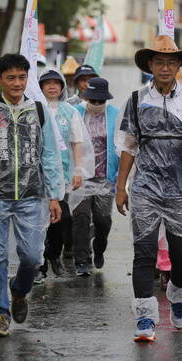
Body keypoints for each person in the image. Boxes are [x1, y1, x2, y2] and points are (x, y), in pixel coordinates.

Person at [115, 35, 182, 343]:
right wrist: (121, 187)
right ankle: (145, 317)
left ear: (178, 65)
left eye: (170, 62)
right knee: (144, 253)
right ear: (150, 65)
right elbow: (128, 146)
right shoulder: (136, 100)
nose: (165, 67)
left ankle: (177, 298)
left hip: (181, 190)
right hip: (145, 188)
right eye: (159, 62)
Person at [0, 53, 64, 338]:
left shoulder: (39, 112)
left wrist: (55, 195)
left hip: (32, 197)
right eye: (11, 78)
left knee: (32, 257)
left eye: (22, 77)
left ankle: (19, 291)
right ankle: (0, 314)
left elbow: (50, 156)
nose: (17, 83)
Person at [36, 66, 93, 279]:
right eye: (47, 83)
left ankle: (53, 254)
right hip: (37, 177)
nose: (52, 87)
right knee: (39, 221)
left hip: (62, 176)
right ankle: (40, 267)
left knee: (62, 219)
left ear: (62, 87)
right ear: (40, 87)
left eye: (56, 83)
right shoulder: (34, 109)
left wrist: (78, 170)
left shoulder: (70, 112)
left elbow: (77, 142)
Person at [72, 77, 120, 275]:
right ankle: (82, 259)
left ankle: (99, 247)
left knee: (103, 219)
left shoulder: (115, 115)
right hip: (82, 176)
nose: (97, 105)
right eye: (93, 101)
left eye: (101, 101)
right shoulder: (76, 113)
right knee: (81, 217)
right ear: (86, 98)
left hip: (104, 177)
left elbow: (122, 144)